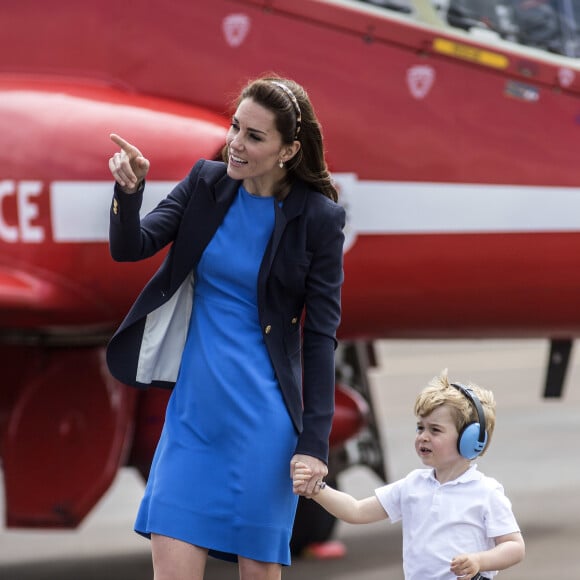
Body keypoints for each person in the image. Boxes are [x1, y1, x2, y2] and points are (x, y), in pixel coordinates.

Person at [106, 75, 346, 580]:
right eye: (235, 127)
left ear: (289, 149)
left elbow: (321, 338)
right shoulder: (205, 183)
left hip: (263, 423)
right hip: (193, 419)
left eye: (254, 136)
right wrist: (129, 193)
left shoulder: (319, 219)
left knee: (257, 573)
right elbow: (133, 246)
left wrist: (314, 445)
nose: (235, 143)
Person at [293, 370, 525, 580]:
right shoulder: (413, 485)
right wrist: (317, 488)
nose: (423, 436)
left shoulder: (485, 492)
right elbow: (356, 511)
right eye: (420, 427)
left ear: (470, 441)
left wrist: (479, 561)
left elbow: (514, 546)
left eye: (435, 430)